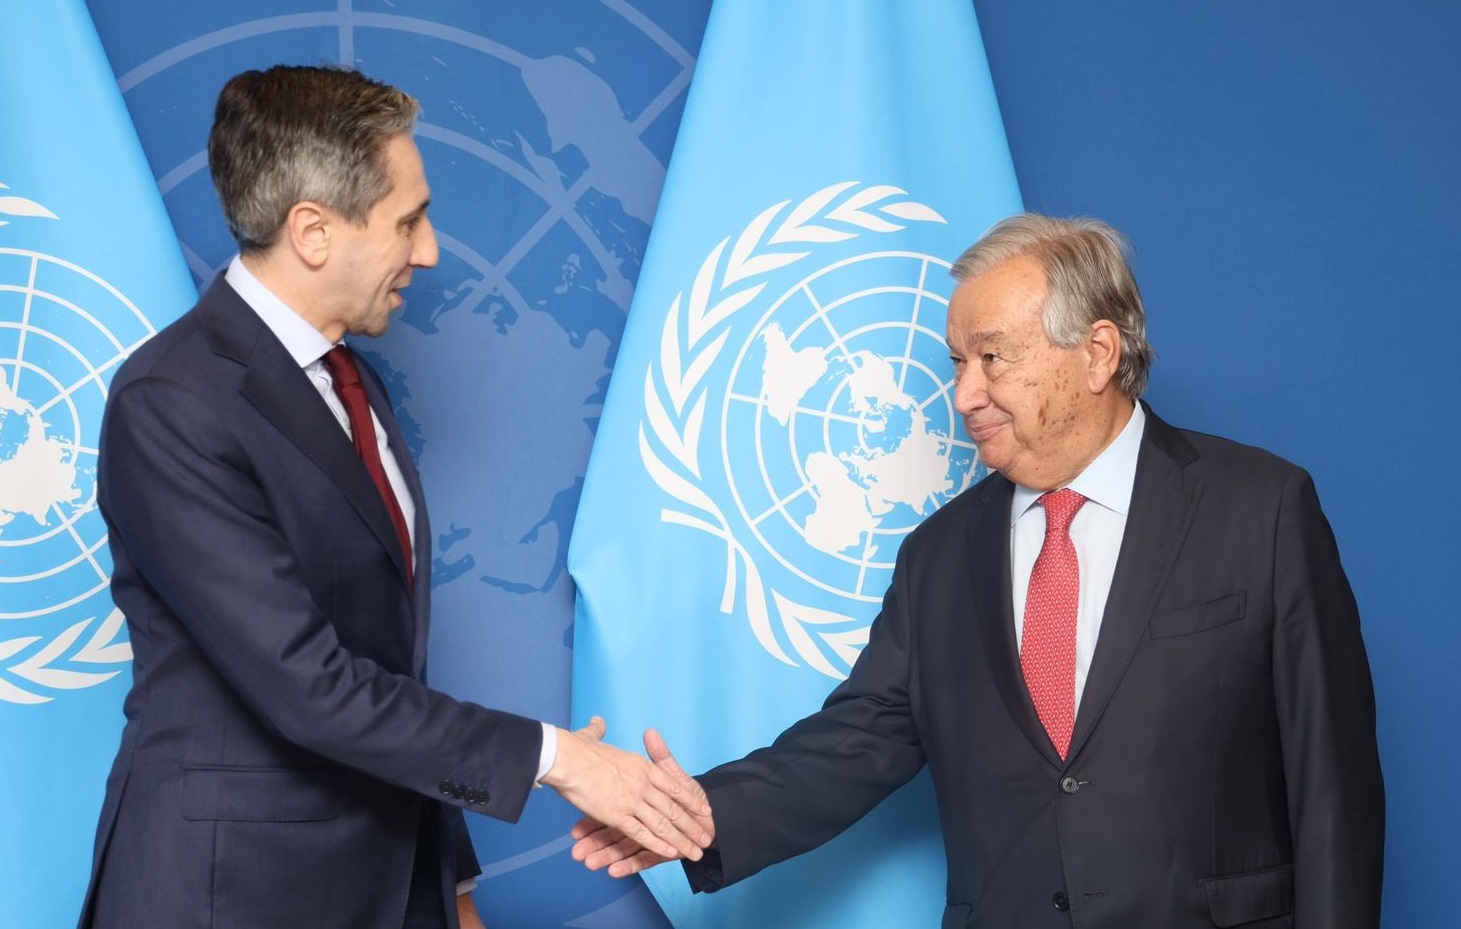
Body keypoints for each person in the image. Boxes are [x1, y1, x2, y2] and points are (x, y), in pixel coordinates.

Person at [572, 214, 1385, 928]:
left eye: (991, 358)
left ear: (1096, 352)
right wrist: (690, 814)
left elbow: (1332, 787)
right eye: (957, 362)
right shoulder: (938, 555)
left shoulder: (1261, 508)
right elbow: (850, 745)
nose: (964, 395)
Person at [78, 65, 709, 929]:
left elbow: (386, 670)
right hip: (232, 898)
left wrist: (450, 882)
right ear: (312, 231)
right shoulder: (172, 405)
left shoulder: (351, 384)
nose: (430, 250)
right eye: (407, 219)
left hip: (387, 889)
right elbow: (310, 685)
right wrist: (560, 759)